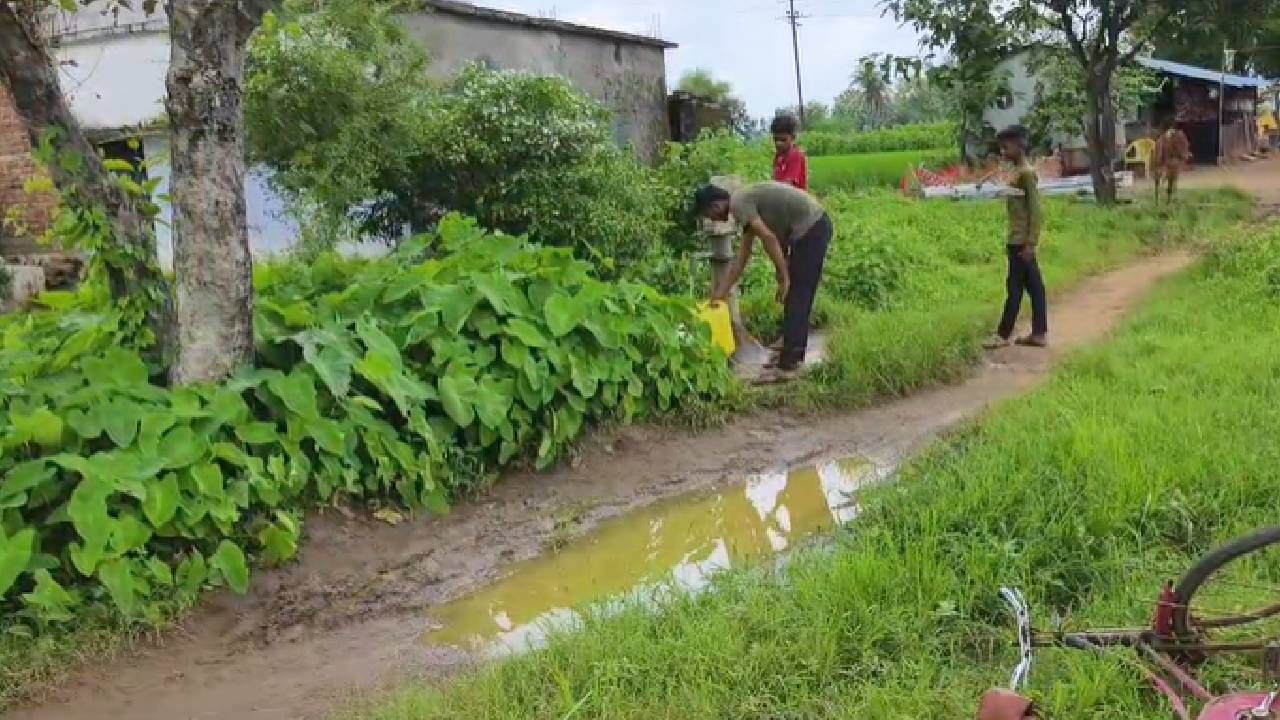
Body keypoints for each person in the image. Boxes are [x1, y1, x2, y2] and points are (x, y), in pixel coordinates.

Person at [694, 182, 832, 373]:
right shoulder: (744, 204)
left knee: (798, 294)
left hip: (812, 228)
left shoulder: (738, 204)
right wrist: (719, 295)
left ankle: (790, 363)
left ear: (715, 206)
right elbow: (740, 260)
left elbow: (769, 238)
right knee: (795, 294)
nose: (714, 220)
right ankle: (789, 353)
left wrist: (784, 277)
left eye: (709, 215)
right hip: (808, 230)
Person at [984, 125, 1047, 350]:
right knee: (1035, 288)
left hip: (1020, 241)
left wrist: (1031, 243)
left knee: (1014, 288)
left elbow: (1036, 210)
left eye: (1006, 146)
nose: (1002, 151)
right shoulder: (1018, 173)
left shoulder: (1027, 174)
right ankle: (1039, 333)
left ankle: (1002, 334)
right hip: (1017, 238)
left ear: (1020, 146)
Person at [1152, 119, 1193, 205]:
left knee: (1169, 179)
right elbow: (1160, 155)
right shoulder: (1168, 138)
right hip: (1165, 163)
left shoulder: (1173, 137)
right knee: (1169, 176)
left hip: (1166, 162)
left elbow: (1182, 150)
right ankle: (1166, 198)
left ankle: (1167, 198)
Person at [771, 114, 808, 190]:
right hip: (780, 194)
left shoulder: (795, 155)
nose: (778, 143)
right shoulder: (777, 157)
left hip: (793, 198)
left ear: (793, 138)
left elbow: (789, 183)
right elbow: (775, 179)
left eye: (783, 140)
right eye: (776, 140)